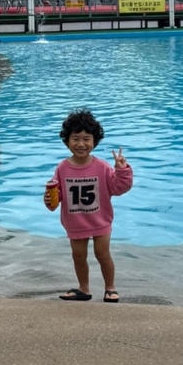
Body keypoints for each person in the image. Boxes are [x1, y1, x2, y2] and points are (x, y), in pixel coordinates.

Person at [44, 109, 133, 303]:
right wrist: (50, 200)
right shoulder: (62, 168)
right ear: (67, 141)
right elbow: (56, 196)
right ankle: (83, 288)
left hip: (100, 220)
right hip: (75, 222)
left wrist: (122, 170)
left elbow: (118, 188)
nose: (81, 144)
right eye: (75, 139)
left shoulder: (102, 167)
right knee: (78, 256)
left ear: (95, 141)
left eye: (86, 139)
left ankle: (110, 288)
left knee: (103, 255)